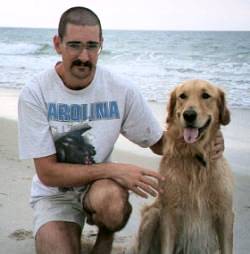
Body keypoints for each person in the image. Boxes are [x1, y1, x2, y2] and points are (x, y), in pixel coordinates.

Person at [18, 6, 224, 254]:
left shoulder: (120, 89)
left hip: (100, 188)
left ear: (101, 44)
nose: (84, 56)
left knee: (113, 204)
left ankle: (105, 240)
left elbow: (160, 143)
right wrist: (116, 170)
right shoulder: (36, 93)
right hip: (54, 195)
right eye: (74, 45)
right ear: (57, 44)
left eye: (92, 46)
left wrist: (202, 136)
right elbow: (48, 173)